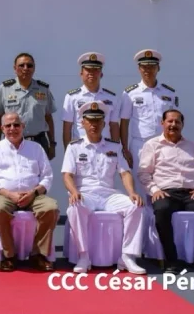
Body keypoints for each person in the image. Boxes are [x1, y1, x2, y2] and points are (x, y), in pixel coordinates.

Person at [62, 101, 145, 275]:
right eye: (90, 121)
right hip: (85, 194)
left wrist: (132, 193)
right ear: (83, 123)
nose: (94, 125)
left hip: (108, 194)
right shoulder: (74, 147)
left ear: (104, 123)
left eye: (98, 121)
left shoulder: (115, 147)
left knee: (135, 205)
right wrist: (74, 191)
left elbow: (125, 173)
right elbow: (67, 175)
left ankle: (127, 256)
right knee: (75, 207)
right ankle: (83, 255)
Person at [137, 109, 194, 275]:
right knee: (161, 210)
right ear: (162, 123)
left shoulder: (193, 146)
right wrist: (154, 190)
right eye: (170, 121)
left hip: (191, 194)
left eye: (177, 122)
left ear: (182, 125)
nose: (173, 125)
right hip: (166, 193)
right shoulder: (152, 145)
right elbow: (144, 173)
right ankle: (171, 260)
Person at [0, 112, 58, 272]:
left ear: (23, 127)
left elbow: (47, 176)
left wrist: (33, 193)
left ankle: (38, 254)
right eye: (8, 126)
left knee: (50, 208)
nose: (12, 129)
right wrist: (10, 195)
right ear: (2, 128)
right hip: (5, 195)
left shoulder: (36, 148)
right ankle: (9, 255)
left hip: (33, 195)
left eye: (16, 125)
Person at [120, 49, 178, 194]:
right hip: (140, 146)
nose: (148, 70)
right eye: (144, 66)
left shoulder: (169, 93)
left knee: (163, 184)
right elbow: (124, 122)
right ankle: (142, 217)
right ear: (139, 68)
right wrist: (125, 149)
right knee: (140, 186)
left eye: (152, 66)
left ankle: (158, 217)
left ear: (158, 68)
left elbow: (175, 121)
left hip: (164, 146)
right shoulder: (130, 93)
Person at [0, 53, 57, 159]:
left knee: (40, 174)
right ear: (15, 68)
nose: (25, 68)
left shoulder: (43, 89)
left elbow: (48, 118)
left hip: (38, 142)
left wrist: (52, 144)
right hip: (11, 142)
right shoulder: (5, 89)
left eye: (29, 65)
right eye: (21, 65)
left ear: (34, 68)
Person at [61, 52, 120, 150]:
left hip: (106, 148)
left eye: (96, 70)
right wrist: (68, 152)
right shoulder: (72, 97)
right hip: (80, 149)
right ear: (81, 73)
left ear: (101, 74)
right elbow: (67, 128)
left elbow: (114, 126)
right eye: (88, 69)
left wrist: (116, 151)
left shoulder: (112, 98)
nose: (91, 73)